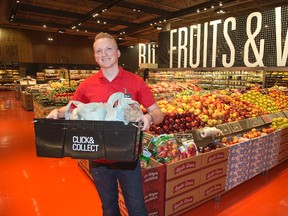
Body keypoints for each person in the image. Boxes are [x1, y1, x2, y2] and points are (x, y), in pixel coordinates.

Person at [46, 32, 164, 216]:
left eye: (109, 49)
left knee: (137, 209)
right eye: (99, 51)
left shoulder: (135, 81)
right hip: (98, 160)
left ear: (117, 53)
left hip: (128, 158)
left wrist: (149, 117)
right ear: (95, 56)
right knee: (109, 208)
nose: (104, 54)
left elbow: (158, 113)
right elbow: (71, 108)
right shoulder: (87, 85)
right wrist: (58, 113)